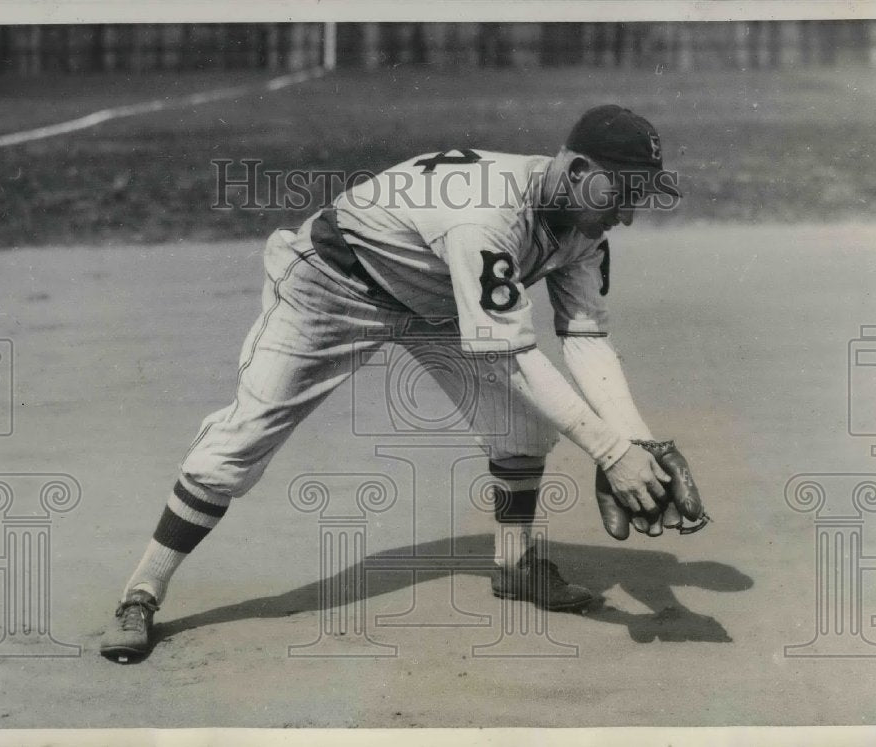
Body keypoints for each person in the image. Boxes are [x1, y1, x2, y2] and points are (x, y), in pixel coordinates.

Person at [100, 104, 684, 661]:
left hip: (435, 300)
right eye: (624, 192)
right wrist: (609, 453)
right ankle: (142, 591)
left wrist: (638, 445)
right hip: (335, 283)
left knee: (524, 426)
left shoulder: (583, 223)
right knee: (243, 439)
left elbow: (585, 339)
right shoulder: (487, 214)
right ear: (579, 170)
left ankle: (515, 565)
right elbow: (512, 353)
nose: (628, 214)